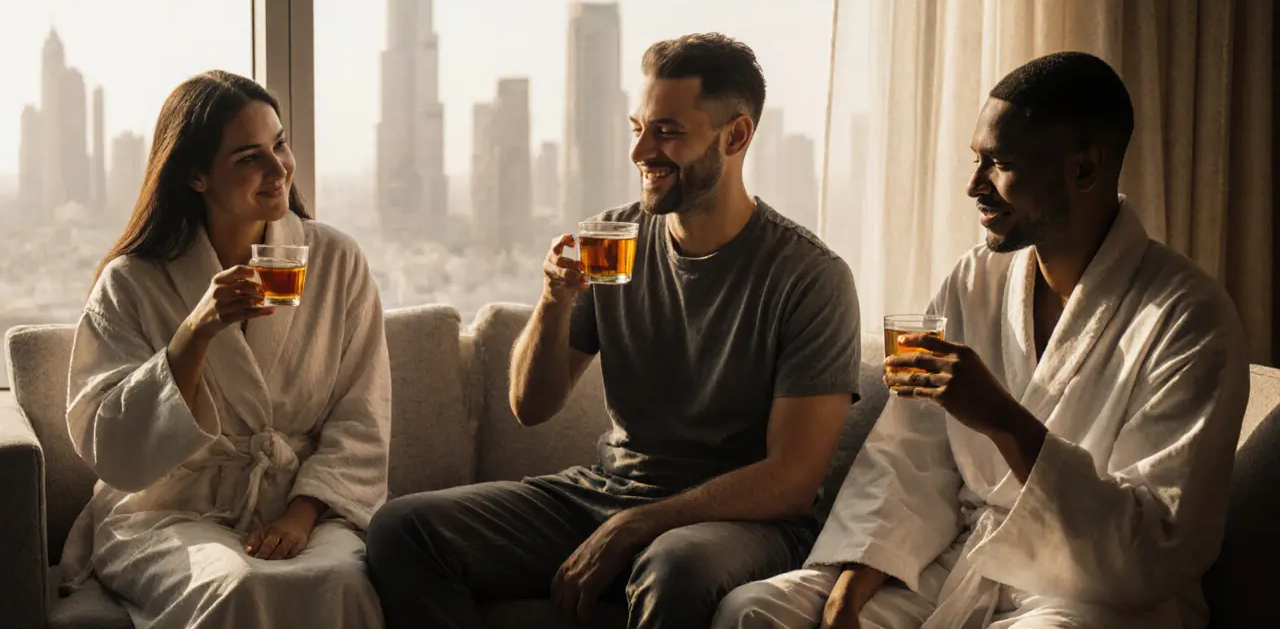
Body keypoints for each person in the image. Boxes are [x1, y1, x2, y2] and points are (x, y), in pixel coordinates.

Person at [714, 52, 1250, 629]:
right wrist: (849, 589)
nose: (974, 185)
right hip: (958, 563)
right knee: (754, 611)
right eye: (976, 159)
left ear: (1085, 168)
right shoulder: (973, 281)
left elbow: (1153, 546)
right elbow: (907, 458)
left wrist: (1001, 417)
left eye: (1000, 164)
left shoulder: (1189, 319)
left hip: (1088, 599)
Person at [366, 33, 862, 629]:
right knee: (403, 530)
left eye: (667, 132)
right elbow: (530, 406)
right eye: (638, 128)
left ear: (735, 136)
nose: (640, 152)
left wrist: (637, 525)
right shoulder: (612, 239)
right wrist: (554, 300)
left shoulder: (811, 277)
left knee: (674, 566)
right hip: (610, 491)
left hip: (743, 523)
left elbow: (793, 480)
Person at [62, 71, 391, 629]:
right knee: (236, 584)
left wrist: (300, 516)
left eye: (279, 145)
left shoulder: (336, 261)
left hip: (306, 505)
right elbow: (112, 448)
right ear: (195, 175)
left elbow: (363, 420)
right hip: (169, 512)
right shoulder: (132, 282)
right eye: (248, 157)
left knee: (341, 582)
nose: (278, 169)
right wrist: (195, 331)